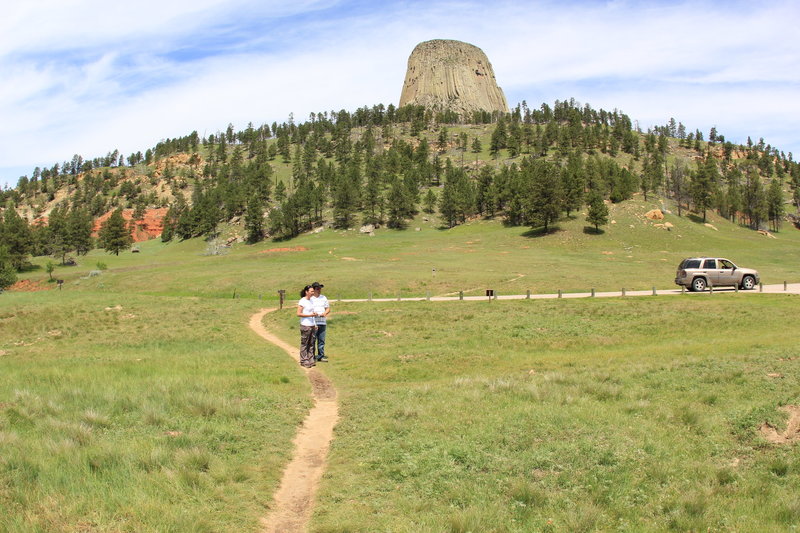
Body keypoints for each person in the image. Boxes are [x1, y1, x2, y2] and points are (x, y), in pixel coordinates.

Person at [297, 285, 318, 368]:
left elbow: (313, 314)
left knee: (311, 343)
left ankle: (310, 358)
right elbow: (298, 313)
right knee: (305, 343)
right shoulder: (302, 301)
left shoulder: (311, 301)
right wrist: (309, 315)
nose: (313, 293)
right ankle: (304, 360)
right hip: (305, 325)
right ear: (306, 292)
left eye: (313, 291)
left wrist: (315, 324)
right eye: (311, 291)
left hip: (312, 325)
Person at [310, 282, 331, 362]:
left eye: (320, 288)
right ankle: (312, 356)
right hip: (313, 321)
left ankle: (320, 356)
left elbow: (328, 308)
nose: (319, 290)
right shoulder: (310, 298)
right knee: (313, 339)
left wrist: (325, 313)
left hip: (322, 321)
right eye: (318, 288)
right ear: (314, 289)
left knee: (321, 340)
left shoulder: (323, 297)